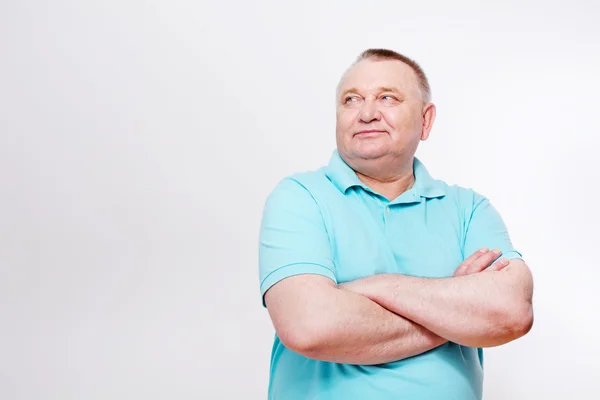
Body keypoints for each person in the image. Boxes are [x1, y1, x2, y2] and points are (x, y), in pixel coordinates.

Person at [257, 48, 534, 400]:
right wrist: (453, 310)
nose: (367, 113)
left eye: (387, 97)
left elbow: (511, 313)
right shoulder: (299, 197)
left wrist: (374, 287)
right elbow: (308, 326)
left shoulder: (469, 209)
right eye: (351, 100)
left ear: (425, 120)